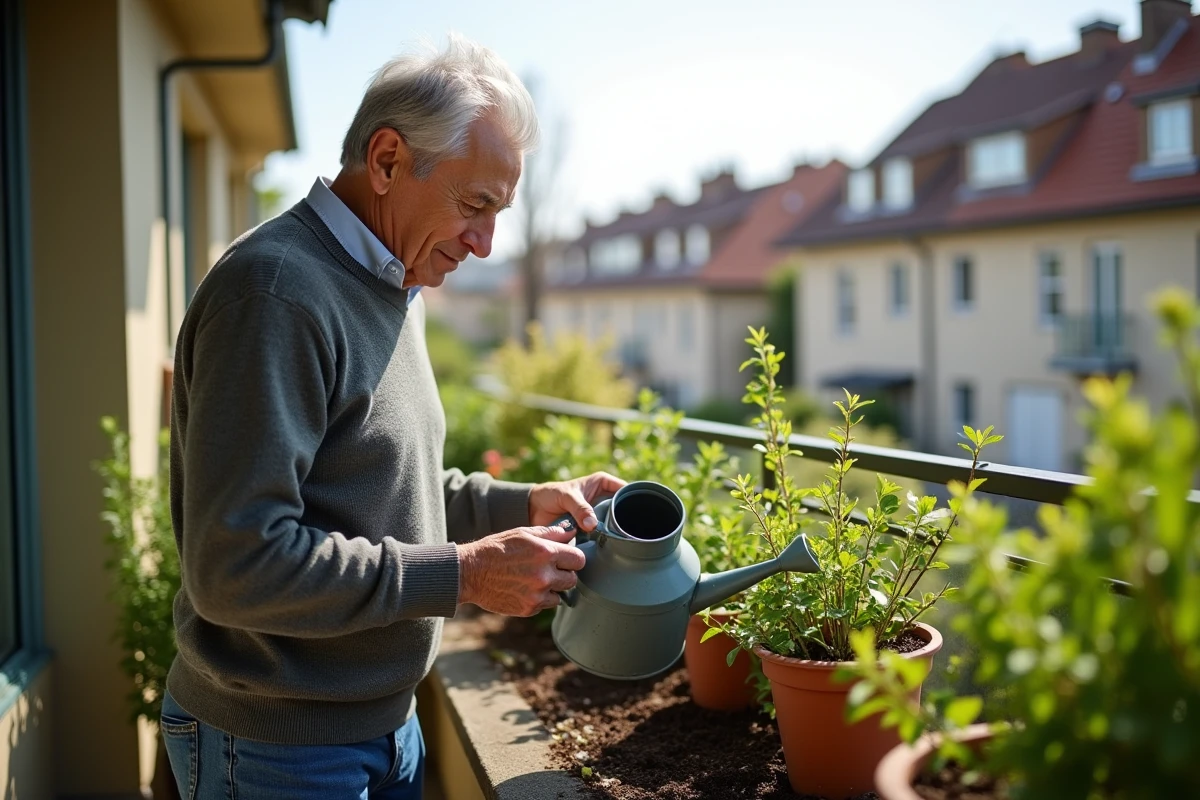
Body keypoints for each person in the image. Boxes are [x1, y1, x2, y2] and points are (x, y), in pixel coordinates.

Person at [159, 33, 622, 799]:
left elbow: (385, 480)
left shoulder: (391, 281)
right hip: (278, 748)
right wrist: (467, 574)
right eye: (476, 206)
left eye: (499, 213)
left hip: (378, 729)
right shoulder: (277, 294)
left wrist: (522, 505)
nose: (485, 243)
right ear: (385, 161)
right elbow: (236, 567)